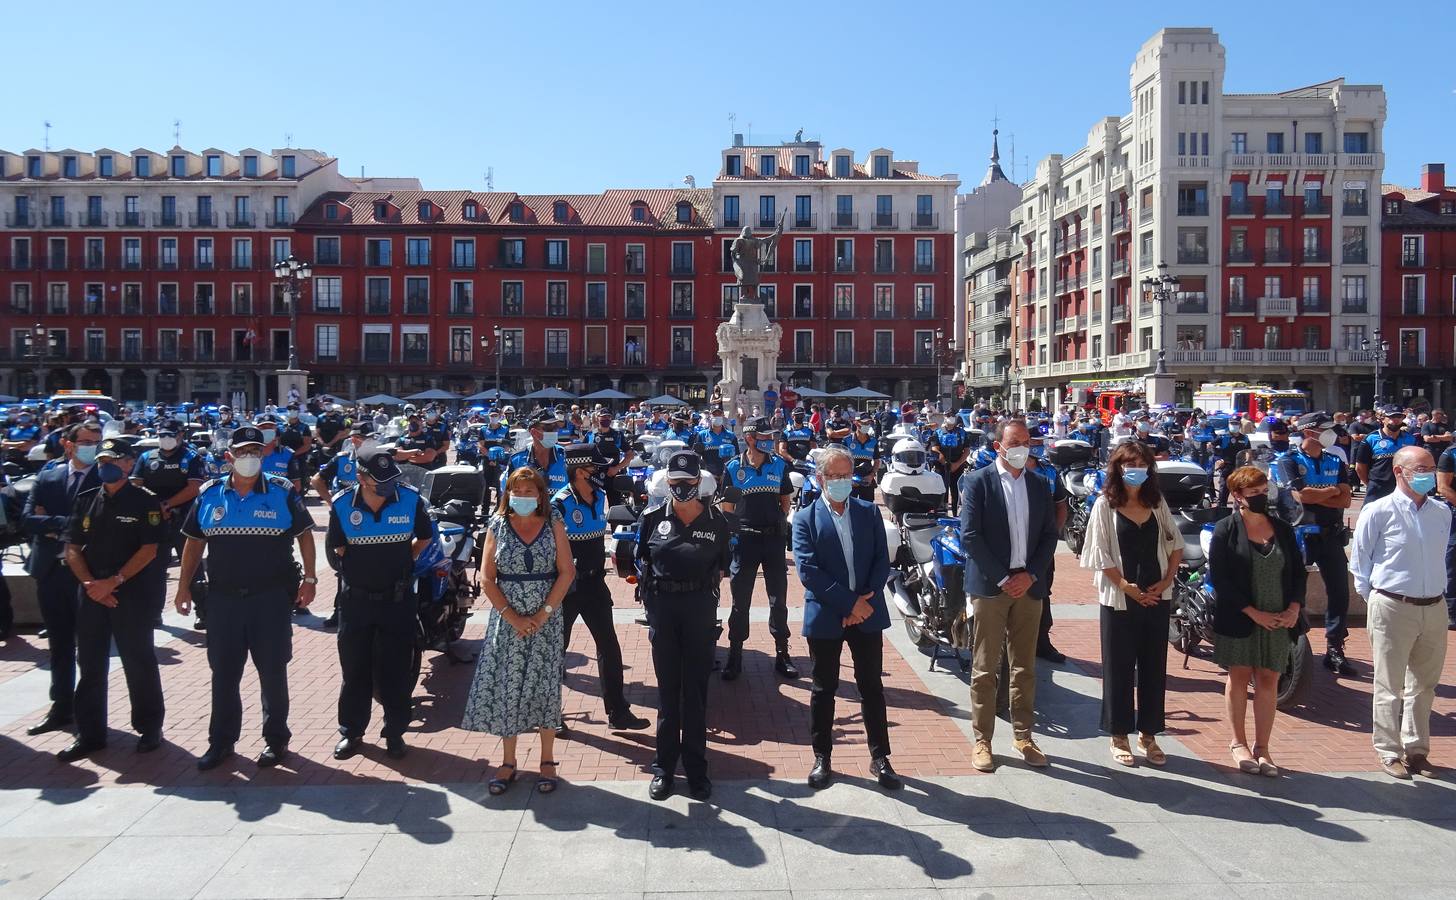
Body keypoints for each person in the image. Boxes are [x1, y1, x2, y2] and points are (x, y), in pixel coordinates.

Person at [177, 425, 318, 771]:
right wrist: (182, 587)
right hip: (223, 599)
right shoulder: (210, 494)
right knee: (223, 674)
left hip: (269, 598)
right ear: (229, 458)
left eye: (256, 451)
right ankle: (221, 742)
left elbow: (305, 536)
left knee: (272, 671)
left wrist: (311, 579)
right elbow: (193, 544)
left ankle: (275, 740)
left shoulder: (282, 491)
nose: (249, 458)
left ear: (265, 454)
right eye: (242, 453)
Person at [461, 467, 575, 795]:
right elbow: (486, 577)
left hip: (546, 622)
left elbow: (566, 572)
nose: (523, 497)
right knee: (508, 687)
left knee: (544, 687)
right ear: (508, 494)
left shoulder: (554, 523)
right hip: (507, 621)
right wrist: (511, 616)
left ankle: (547, 761)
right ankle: (508, 761)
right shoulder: (497, 525)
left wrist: (543, 614)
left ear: (541, 495)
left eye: (530, 492)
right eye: (517, 491)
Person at [793, 447, 899, 791]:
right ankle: (822, 756)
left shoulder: (868, 512)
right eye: (834, 476)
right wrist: (849, 604)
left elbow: (882, 560)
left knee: (872, 687)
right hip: (828, 615)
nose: (841, 482)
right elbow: (808, 571)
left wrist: (862, 602)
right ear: (820, 478)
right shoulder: (806, 518)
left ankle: (880, 757)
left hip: (867, 613)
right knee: (824, 688)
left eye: (845, 476)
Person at [57, 438, 166, 761]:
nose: (107, 465)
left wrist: (114, 582)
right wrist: (92, 584)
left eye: (115, 460)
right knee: (90, 663)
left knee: (139, 660)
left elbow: (149, 549)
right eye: (103, 459)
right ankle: (90, 734)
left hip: (130, 590)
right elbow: (73, 547)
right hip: (92, 590)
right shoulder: (88, 498)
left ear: (129, 464)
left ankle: (149, 728)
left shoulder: (144, 500)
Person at [960, 420, 1059, 772]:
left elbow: (1050, 535)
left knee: (1025, 667)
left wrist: (1030, 574)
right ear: (998, 445)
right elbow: (971, 536)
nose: (1022, 448)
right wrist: (1004, 578)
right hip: (991, 587)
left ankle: (1024, 736)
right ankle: (982, 741)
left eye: (1027, 441)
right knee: (985, 668)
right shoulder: (977, 482)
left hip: (1029, 587)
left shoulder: (1038, 483)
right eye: (1015, 442)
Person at [637, 451, 734, 801]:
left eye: (688, 484)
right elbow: (642, 560)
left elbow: (724, 566)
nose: (681, 490)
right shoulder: (651, 519)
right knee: (668, 692)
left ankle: (696, 768)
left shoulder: (717, 522)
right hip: (663, 608)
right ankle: (663, 767)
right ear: (667, 483)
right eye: (675, 484)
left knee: (694, 692)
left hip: (699, 609)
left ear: (699, 483)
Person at [1078, 442, 1182, 767]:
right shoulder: (1104, 505)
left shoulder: (1156, 502)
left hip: (1156, 597)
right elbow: (1099, 554)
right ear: (1118, 467)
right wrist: (1126, 587)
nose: (1135, 469)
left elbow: (1175, 544)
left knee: (1153, 668)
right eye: (1129, 463)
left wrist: (1166, 582)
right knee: (1118, 667)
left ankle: (1148, 734)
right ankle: (1118, 733)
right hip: (1120, 599)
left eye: (1141, 463)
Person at [326, 449, 434, 761]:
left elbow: (424, 538)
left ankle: (395, 732)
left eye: (391, 479)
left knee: (396, 670)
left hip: (397, 601)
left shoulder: (409, 499)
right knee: (354, 669)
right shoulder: (343, 504)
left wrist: (402, 561)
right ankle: (352, 731)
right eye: (380, 481)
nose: (388, 486)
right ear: (360, 477)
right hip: (356, 601)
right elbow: (339, 547)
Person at [1350, 446, 1449, 779]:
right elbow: (1359, 563)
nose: (1428, 474)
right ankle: (1388, 750)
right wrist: (1375, 600)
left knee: (1425, 685)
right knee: (1389, 685)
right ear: (1398, 471)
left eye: (1431, 467)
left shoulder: (1441, 512)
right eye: (1420, 468)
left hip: (1434, 606)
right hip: (1392, 605)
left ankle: (1417, 750)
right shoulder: (1378, 511)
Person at [1209, 465, 1305, 777]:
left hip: (1278, 617)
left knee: (1268, 678)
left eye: (1264, 492)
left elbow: (1297, 573)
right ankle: (1239, 743)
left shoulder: (1283, 528)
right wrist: (1252, 612)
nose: (1261, 498)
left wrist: (1294, 607)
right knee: (1239, 677)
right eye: (1254, 494)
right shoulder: (1226, 529)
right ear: (1238, 496)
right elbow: (1220, 579)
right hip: (1242, 617)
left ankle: (1263, 748)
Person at [552, 444, 649, 731]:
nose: (602, 472)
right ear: (580, 471)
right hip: (566, 588)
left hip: (595, 583)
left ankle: (618, 712)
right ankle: (550, 712)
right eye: (596, 468)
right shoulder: (559, 505)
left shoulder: (601, 497)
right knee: (556, 651)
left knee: (609, 646)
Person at [20, 421, 103, 737]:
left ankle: (90, 716)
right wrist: (69, 524)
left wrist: (55, 524)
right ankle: (61, 707)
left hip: (88, 574)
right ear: (69, 445)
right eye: (86, 441)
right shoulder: (48, 476)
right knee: (60, 645)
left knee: (91, 650)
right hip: (51, 572)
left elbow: (98, 524)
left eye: (96, 441)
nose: (92, 447)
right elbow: (28, 519)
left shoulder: (102, 478)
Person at [1278, 413, 1357, 675]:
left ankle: (1335, 648)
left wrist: (1318, 494)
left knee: (1339, 592)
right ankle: (1288, 645)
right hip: (1300, 535)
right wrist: (1332, 491)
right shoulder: (1289, 460)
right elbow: (1300, 495)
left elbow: (1346, 500)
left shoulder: (1336, 459)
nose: (1332, 434)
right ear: (1309, 432)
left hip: (1330, 534)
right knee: (1290, 590)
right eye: (1326, 429)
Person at [721, 417, 797, 680]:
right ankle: (735, 654)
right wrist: (733, 536)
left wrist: (777, 523)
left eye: (771, 436)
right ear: (750, 438)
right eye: (764, 436)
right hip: (744, 542)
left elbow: (785, 501)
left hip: (773, 541)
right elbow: (727, 509)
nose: (770, 440)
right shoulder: (733, 468)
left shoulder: (779, 465)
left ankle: (782, 654)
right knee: (740, 601)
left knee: (779, 600)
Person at [1355, 405, 1417, 502]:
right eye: (1392, 417)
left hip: (1404, 487)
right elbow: (1360, 466)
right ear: (1383, 419)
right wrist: (1371, 483)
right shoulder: (1371, 439)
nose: (1396, 420)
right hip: (1378, 488)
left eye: (1399, 417)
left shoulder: (1411, 439)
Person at [504, 409, 567, 495]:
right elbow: (508, 493)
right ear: (533, 432)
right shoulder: (517, 460)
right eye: (548, 428)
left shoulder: (566, 457)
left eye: (555, 427)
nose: (554, 431)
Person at [927, 412, 970, 515]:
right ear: (944, 417)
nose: (951, 418)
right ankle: (942, 513)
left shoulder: (962, 433)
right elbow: (935, 449)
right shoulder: (938, 432)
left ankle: (956, 514)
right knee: (942, 492)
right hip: (941, 467)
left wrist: (957, 464)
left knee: (956, 492)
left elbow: (967, 450)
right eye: (948, 415)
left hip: (957, 466)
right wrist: (945, 462)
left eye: (953, 415)